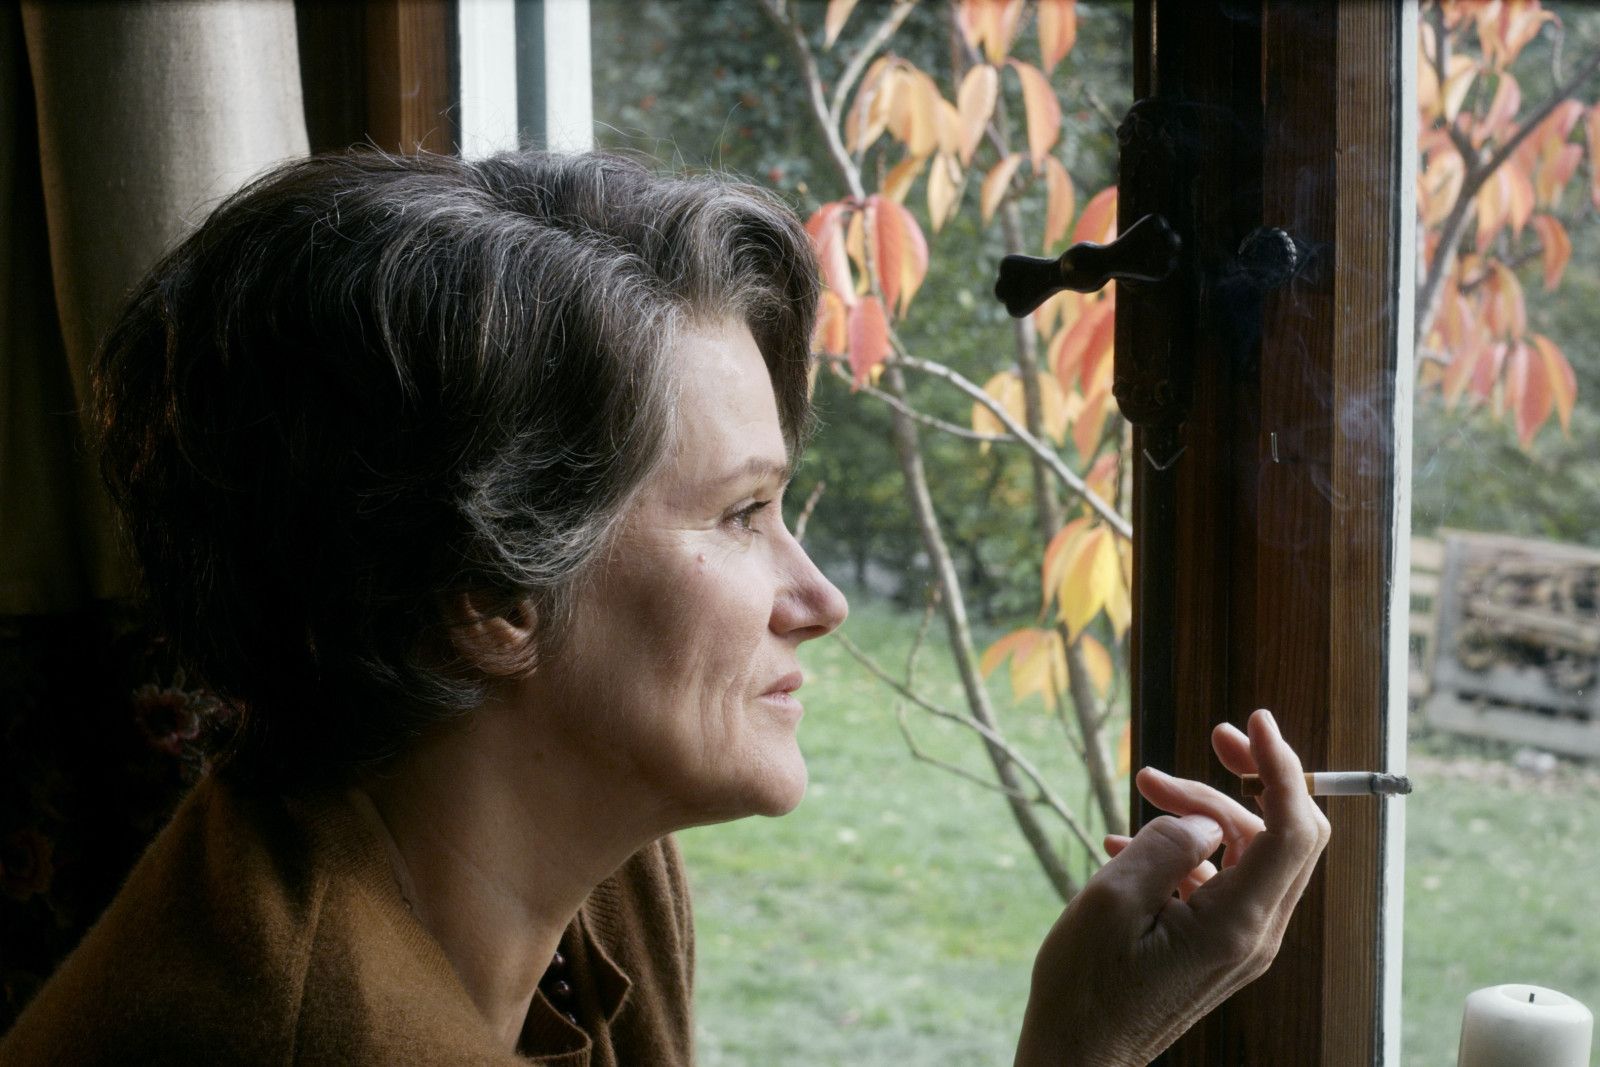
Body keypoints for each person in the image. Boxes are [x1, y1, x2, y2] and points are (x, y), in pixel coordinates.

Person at [0, 150, 1330, 1066]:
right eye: (743, 514)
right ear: (487, 595)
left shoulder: (586, 861)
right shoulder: (301, 1034)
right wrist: (1087, 1050)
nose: (819, 601)